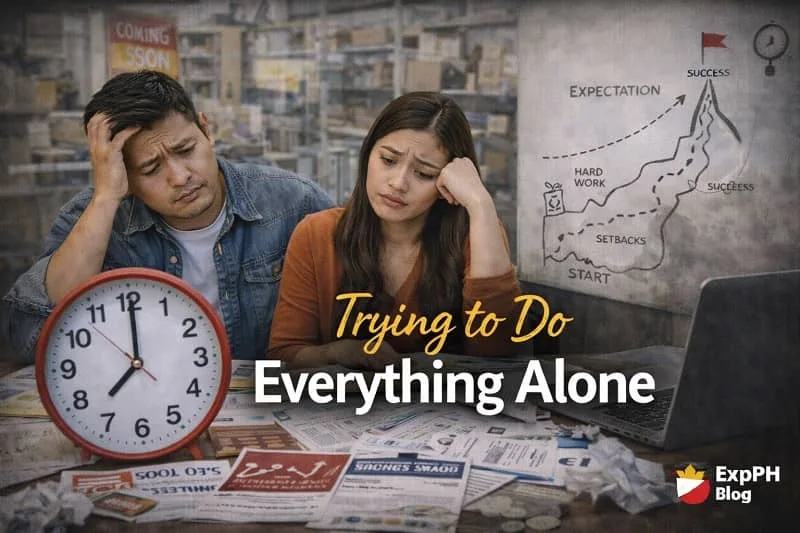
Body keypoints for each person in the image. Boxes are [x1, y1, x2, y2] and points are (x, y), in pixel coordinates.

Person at [0, 70, 334, 362]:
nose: (179, 176)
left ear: (205, 129)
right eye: (150, 168)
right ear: (125, 174)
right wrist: (106, 197)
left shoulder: (294, 203)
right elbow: (30, 339)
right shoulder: (94, 218)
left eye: (186, 150)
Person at [268, 92, 522, 370]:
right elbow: (284, 354)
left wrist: (481, 204)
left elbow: (500, 356)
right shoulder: (317, 234)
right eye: (388, 160)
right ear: (368, 154)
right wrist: (338, 351)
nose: (398, 183)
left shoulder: (478, 234)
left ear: (447, 184)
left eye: (423, 174)